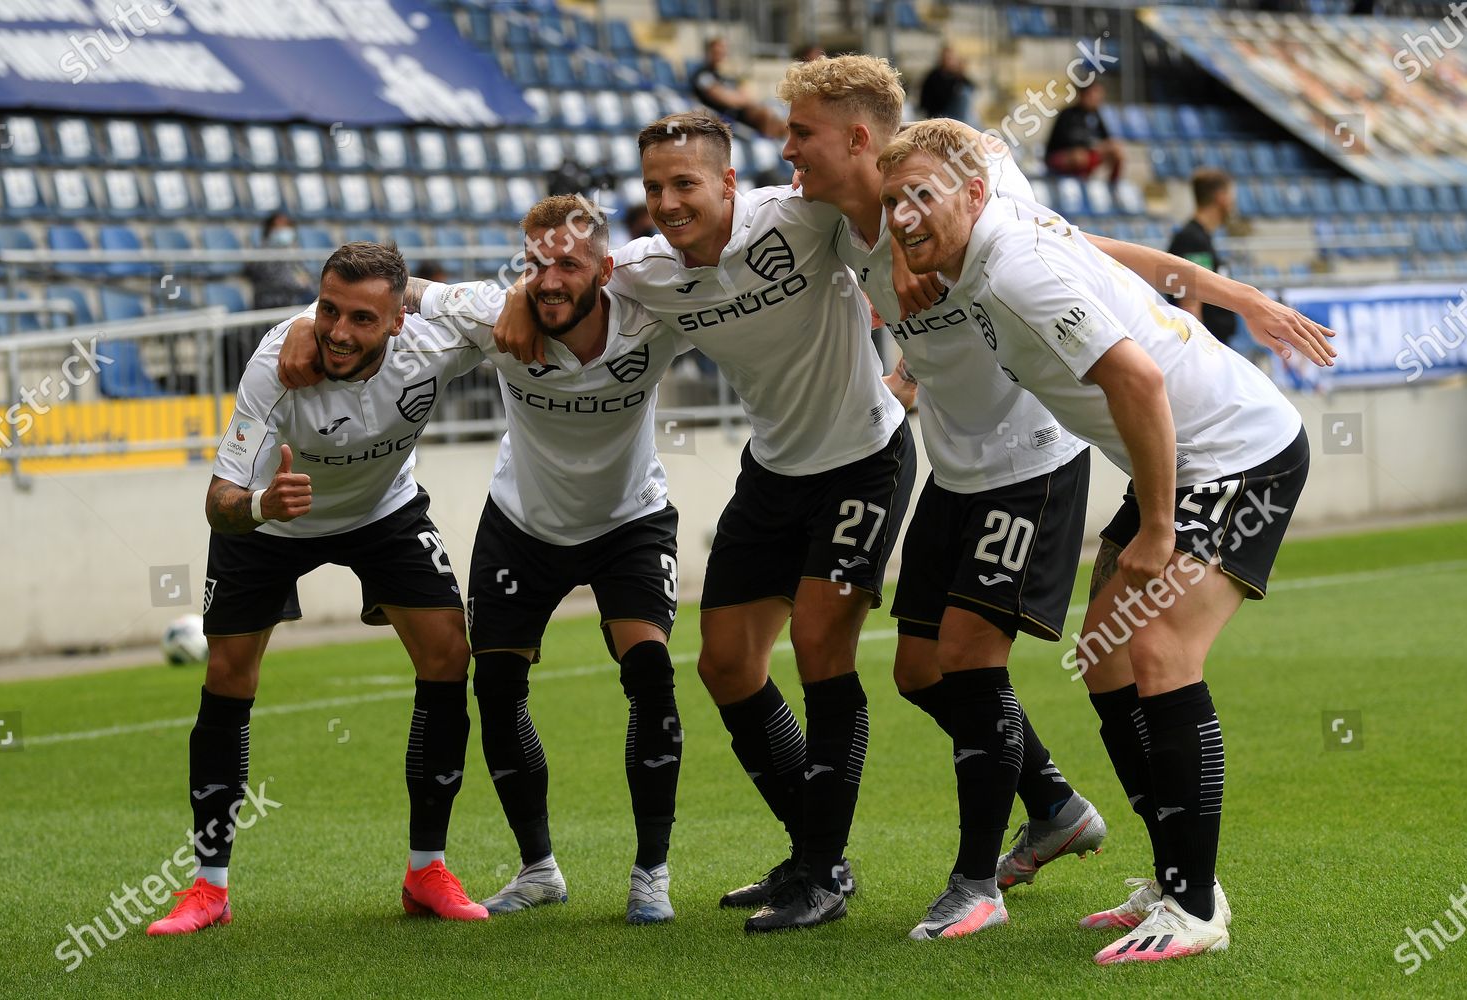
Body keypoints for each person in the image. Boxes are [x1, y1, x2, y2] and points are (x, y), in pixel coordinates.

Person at [879, 118, 1314, 963]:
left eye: (921, 196)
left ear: (973, 192)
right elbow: (1125, 257)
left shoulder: (1014, 269)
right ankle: (1177, 874)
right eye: (893, 201)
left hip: (1237, 455)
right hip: (1191, 457)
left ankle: (1193, 908)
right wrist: (1240, 297)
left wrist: (1156, 526)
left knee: (1156, 653)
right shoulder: (1000, 219)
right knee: (1106, 656)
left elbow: (1139, 379)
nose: (902, 215)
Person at [495, 110, 921, 934]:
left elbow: (893, 228)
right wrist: (520, 292)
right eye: (654, 186)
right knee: (726, 666)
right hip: (772, 472)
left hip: (865, 457)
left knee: (821, 647)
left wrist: (910, 377)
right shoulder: (645, 271)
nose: (668, 201)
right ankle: (815, 855)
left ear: (728, 181)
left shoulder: (799, 216)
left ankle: (822, 875)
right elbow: (569, 278)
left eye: (685, 183)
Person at [275, 198, 689, 925]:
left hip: (630, 519)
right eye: (536, 264)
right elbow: (397, 287)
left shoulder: (654, 314)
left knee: (649, 671)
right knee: (494, 683)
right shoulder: (489, 310)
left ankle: (651, 872)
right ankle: (539, 870)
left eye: (568, 265)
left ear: (605, 268)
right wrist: (305, 333)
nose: (550, 279)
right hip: (523, 523)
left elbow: (740, 310)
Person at [781, 53, 1104, 941]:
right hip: (954, 467)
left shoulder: (971, 177)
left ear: (860, 139)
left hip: (1032, 458)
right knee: (917, 670)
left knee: (968, 657)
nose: (787, 152)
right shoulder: (848, 235)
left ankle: (976, 884)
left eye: (801, 134)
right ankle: (1054, 805)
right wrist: (900, 370)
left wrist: (948, 249)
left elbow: (1029, 218)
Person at [148, 243, 490, 936]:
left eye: (362, 317)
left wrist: (423, 291)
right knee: (227, 676)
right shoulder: (276, 366)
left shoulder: (434, 342)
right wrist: (260, 509)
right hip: (274, 524)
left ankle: (427, 870)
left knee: (449, 656)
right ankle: (209, 887)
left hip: (383, 512)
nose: (336, 331)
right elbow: (219, 500)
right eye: (327, 309)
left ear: (398, 320)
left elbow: (508, 307)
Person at [1167, 169, 1238, 345]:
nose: (1233, 203)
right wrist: (1201, 347)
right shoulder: (1191, 239)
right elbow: (1189, 303)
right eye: (1231, 196)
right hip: (1206, 347)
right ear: (1221, 198)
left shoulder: (1198, 237)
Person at [690, 37, 788, 140]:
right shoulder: (703, 75)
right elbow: (725, 99)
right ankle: (771, 145)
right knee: (766, 114)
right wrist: (740, 98)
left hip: (742, 111)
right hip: (726, 115)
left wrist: (740, 97)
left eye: (723, 49)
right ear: (709, 52)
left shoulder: (725, 75)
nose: (721, 52)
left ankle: (782, 145)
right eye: (717, 49)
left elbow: (747, 94)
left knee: (781, 119)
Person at [1045, 79, 1123, 183]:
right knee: (1079, 156)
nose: (1098, 98)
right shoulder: (1068, 114)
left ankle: (1113, 186)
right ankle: (1079, 184)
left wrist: (1107, 146)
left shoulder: (1096, 115)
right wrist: (1095, 146)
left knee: (1116, 150)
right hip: (1060, 156)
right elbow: (1068, 141)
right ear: (1084, 95)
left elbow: (1106, 138)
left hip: (1088, 154)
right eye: (1094, 94)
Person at [244, 212, 314, 310]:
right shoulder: (262, 255)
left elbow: (307, 277)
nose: (284, 230)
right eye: (279, 227)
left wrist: (304, 283)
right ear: (269, 230)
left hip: (293, 300)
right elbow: (279, 280)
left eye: (287, 226)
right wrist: (301, 284)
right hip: (271, 304)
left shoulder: (292, 253)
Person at [918, 46, 976, 122]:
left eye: (952, 59)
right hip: (938, 114)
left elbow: (971, 87)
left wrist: (960, 74)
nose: (950, 62)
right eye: (948, 58)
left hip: (957, 115)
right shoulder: (935, 76)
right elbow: (939, 99)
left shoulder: (955, 75)